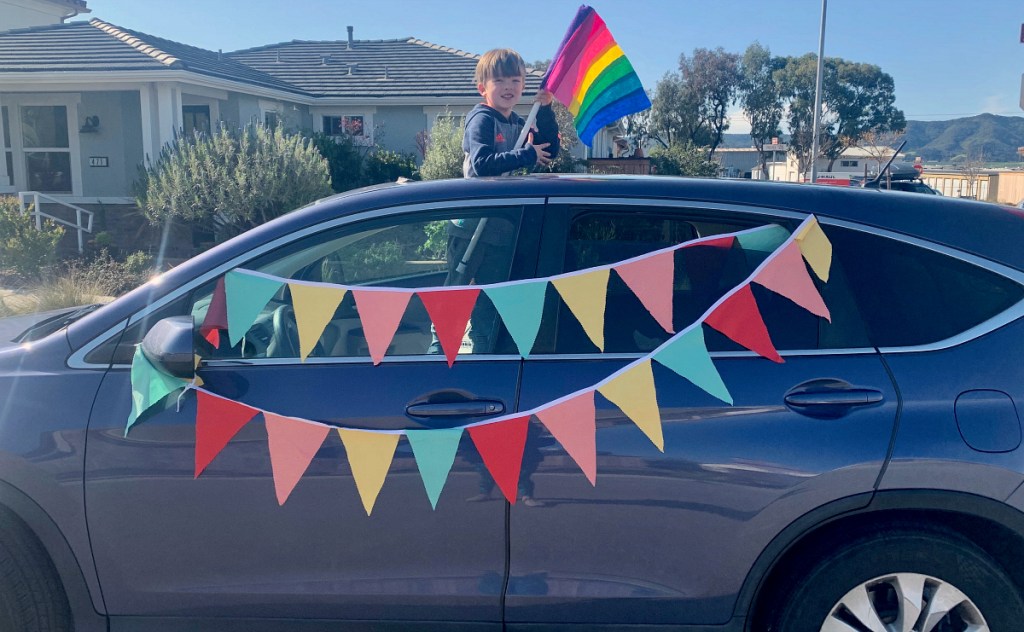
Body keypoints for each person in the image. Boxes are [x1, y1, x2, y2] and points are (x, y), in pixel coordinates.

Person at [462, 48, 560, 177]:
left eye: (515, 80)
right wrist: (527, 155)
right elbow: (482, 165)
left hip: (505, 195)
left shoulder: (518, 124)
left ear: (523, 87)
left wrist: (545, 110)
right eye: (499, 80)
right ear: (482, 89)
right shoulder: (482, 119)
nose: (508, 86)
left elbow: (549, 150)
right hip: (480, 195)